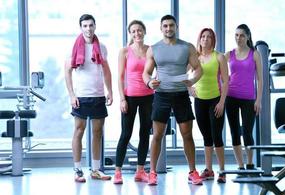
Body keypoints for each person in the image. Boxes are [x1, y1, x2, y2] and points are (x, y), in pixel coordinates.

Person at [143, 14, 203, 186]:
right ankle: (152, 172)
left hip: (181, 95)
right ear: (161, 28)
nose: (168, 28)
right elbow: (146, 72)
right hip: (161, 94)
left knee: (187, 135)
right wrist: (149, 82)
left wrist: (192, 81)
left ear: (176, 27)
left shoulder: (187, 47)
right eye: (165, 26)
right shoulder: (154, 49)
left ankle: (192, 171)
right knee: (157, 135)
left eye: (171, 25)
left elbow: (198, 69)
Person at [65, 14, 113, 183]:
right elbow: (67, 72)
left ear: (95, 26)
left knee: (97, 132)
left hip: (98, 95)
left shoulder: (102, 47)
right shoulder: (73, 47)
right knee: (79, 131)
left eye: (91, 25)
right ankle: (78, 170)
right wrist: (71, 95)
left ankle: (95, 169)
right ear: (81, 28)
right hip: (81, 96)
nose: (88, 28)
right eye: (85, 26)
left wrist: (110, 91)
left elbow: (106, 71)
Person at [113, 20, 154, 184]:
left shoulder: (151, 50)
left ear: (144, 31)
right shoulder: (124, 52)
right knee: (126, 134)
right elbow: (120, 77)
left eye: (139, 30)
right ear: (130, 34)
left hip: (149, 96)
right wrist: (122, 98)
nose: (137, 33)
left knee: (144, 133)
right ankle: (118, 171)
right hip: (130, 97)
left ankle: (140, 170)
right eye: (134, 31)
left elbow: (157, 71)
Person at [189, 28, 229, 183]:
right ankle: (209, 170)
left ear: (213, 40)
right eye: (203, 36)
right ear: (199, 39)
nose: (206, 39)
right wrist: (188, 88)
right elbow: (184, 73)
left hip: (215, 100)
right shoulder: (195, 57)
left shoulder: (219, 57)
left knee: (217, 136)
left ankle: (222, 171)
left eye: (209, 37)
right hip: (199, 101)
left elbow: (226, 81)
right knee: (206, 136)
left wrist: (221, 102)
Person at [225, 24, 263, 170]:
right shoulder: (229, 54)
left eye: (241, 35)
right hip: (231, 97)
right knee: (234, 132)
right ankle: (240, 165)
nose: (238, 38)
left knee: (247, 131)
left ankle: (250, 163)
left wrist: (258, 100)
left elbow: (260, 79)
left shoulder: (255, 54)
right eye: (236, 35)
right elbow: (218, 71)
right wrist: (223, 83)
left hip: (249, 99)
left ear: (247, 36)